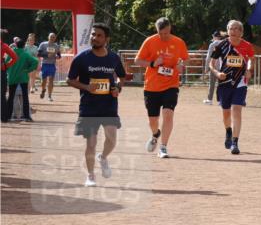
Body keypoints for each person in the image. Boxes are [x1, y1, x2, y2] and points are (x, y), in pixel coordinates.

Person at [65, 23, 128, 187]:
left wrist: (118, 88)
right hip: (89, 107)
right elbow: (69, 80)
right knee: (91, 143)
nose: (95, 38)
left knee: (112, 140)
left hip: (109, 105)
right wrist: (86, 87)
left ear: (106, 39)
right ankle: (90, 176)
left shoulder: (113, 58)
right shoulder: (82, 58)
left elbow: (122, 77)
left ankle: (103, 157)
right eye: (93, 35)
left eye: (99, 35)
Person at [134, 17, 188, 158]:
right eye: (161, 33)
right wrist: (153, 63)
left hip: (171, 85)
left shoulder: (179, 42)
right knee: (153, 120)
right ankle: (155, 134)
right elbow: (137, 60)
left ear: (170, 29)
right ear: (157, 30)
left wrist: (180, 66)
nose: (164, 36)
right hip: (152, 86)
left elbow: (185, 60)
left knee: (168, 114)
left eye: (166, 33)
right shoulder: (150, 41)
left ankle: (163, 147)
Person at [208, 19, 254, 155]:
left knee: (237, 110)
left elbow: (251, 59)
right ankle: (228, 131)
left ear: (241, 32)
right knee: (226, 112)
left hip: (240, 82)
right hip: (224, 82)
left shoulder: (247, 45)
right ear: (227, 31)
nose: (233, 31)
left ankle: (235, 142)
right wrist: (217, 73)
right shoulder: (221, 45)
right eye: (231, 29)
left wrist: (249, 70)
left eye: (236, 29)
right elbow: (212, 63)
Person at [3, 38, 39, 122]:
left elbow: (6, 63)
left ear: (15, 45)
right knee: (25, 97)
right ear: (23, 46)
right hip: (23, 78)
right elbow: (35, 61)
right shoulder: (25, 54)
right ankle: (27, 116)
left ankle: (8, 116)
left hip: (12, 77)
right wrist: (28, 70)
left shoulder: (11, 53)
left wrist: (8, 70)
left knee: (11, 97)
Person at [36, 32, 61, 102]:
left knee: (51, 80)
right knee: (44, 81)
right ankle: (43, 89)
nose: (52, 38)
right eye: (51, 37)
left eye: (53, 37)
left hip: (52, 65)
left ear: (55, 38)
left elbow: (59, 55)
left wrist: (57, 56)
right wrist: (46, 55)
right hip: (44, 64)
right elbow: (38, 54)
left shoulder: (56, 46)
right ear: (48, 37)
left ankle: (49, 95)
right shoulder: (43, 44)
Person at [203, 31, 225, 104]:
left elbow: (209, 57)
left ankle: (210, 100)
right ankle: (220, 100)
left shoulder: (213, 44)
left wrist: (206, 68)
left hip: (214, 67)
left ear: (215, 37)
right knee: (221, 84)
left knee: (212, 84)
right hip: (223, 67)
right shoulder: (225, 43)